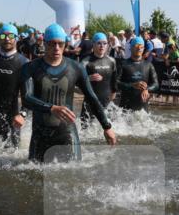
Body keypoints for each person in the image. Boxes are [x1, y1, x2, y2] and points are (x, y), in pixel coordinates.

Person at [20, 23, 116, 162]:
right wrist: (52, 108)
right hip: (40, 135)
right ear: (45, 44)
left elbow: (91, 97)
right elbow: (26, 98)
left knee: (74, 175)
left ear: (65, 44)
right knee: (35, 176)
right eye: (52, 44)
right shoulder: (30, 68)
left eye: (61, 44)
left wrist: (107, 127)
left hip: (67, 133)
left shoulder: (75, 68)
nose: (57, 48)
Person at [80, 32, 119, 123]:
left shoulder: (111, 61)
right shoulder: (86, 61)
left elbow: (114, 81)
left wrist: (114, 92)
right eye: (99, 43)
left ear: (107, 45)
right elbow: (76, 81)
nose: (102, 46)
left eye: (104, 43)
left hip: (107, 102)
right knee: (86, 133)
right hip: (90, 103)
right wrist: (87, 78)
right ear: (93, 44)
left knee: (110, 129)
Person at [117, 36, 160, 112]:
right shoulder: (123, 64)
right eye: (137, 46)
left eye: (141, 46)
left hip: (143, 111)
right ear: (131, 48)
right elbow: (115, 83)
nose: (139, 48)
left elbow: (156, 84)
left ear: (144, 48)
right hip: (125, 110)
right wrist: (132, 85)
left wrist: (147, 89)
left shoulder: (148, 65)